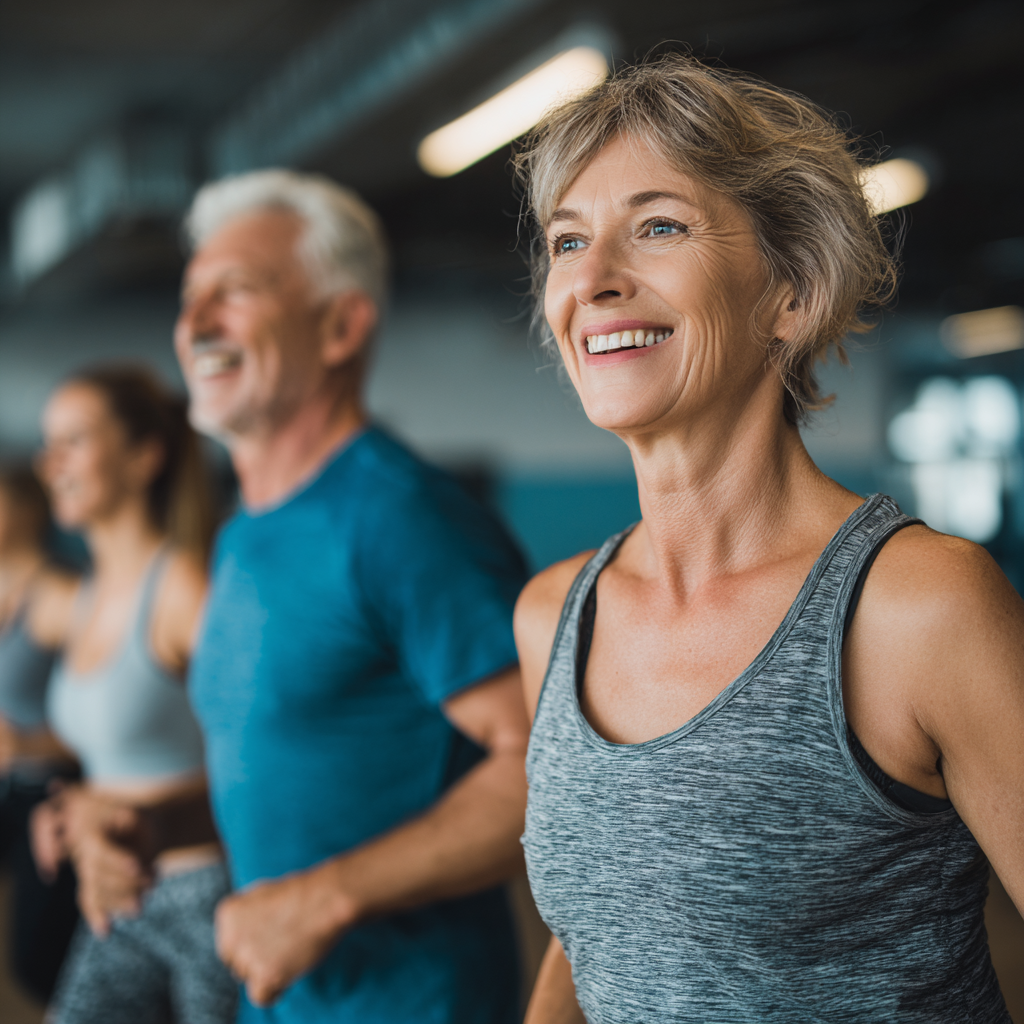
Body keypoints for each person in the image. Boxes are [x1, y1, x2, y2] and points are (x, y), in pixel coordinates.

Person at [512, 54, 1024, 1024]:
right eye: (567, 240)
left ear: (789, 292)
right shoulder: (552, 618)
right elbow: (601, 938)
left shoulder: (915, 608)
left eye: (657, 227)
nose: (595, 280)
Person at [59, 170, 528, 1023]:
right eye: (191, 296)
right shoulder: (243, 536)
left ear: (342, 325)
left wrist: (326, 897)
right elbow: (291, 778)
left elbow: (548, 767)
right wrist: (152, 826)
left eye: (235, 291)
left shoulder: (404, 519)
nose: (196, 324)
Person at [30, 365, 236, 1024]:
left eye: (75, 441)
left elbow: (257, 761)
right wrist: (69, 810)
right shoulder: (82, 596)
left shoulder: (183, 590)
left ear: (145, 456)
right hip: (118, 894)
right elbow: (117, 745)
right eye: (48, 443)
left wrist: (138, 815)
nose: (50, 462)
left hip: (206, 892)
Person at [0, 463, 80, 1001]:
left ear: (28, 509)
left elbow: (108, 727)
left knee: (36, 961)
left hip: (45, 791)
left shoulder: (62, 595)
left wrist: (23, 744)